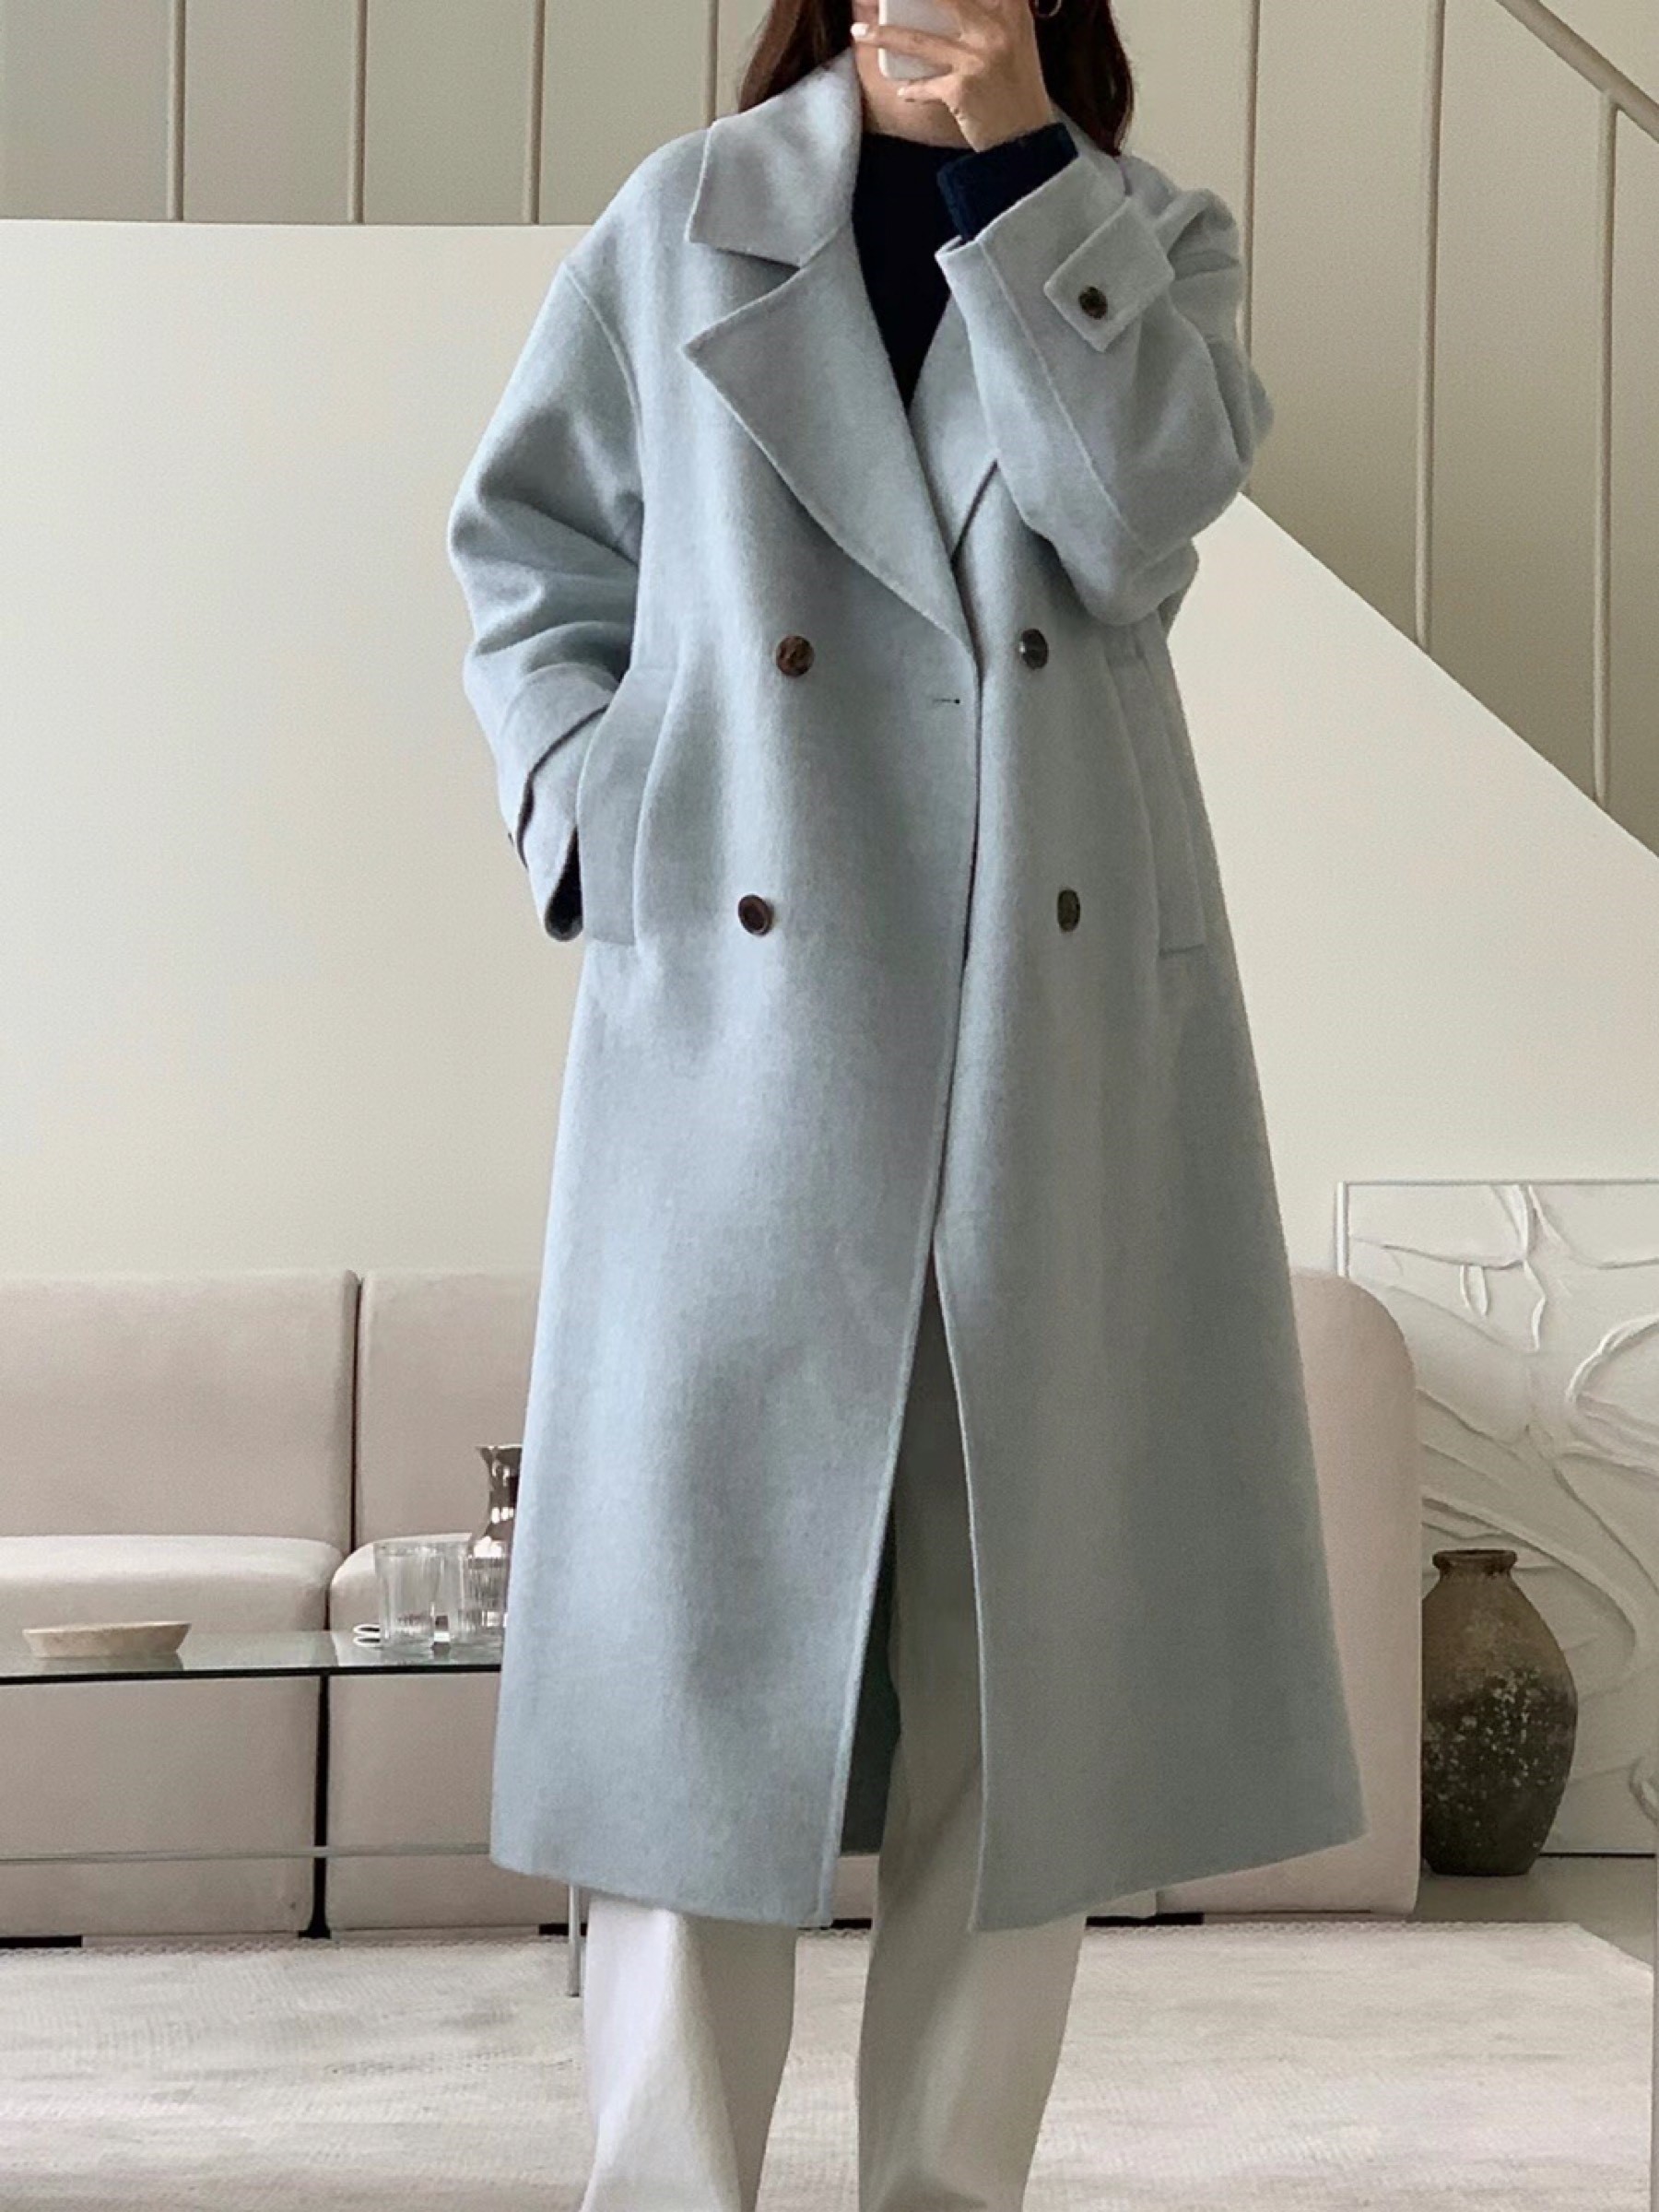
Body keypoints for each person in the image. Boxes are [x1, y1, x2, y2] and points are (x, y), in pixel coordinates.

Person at [446, 4, 1370, 2206]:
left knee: (1017, 1684)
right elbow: (529, 554)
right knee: (693, 1683)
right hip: (747, 1033)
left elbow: (1130, 527)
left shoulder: (1141, 231)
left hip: (1042, 1036)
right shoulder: (684, 220)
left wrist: (1022, 178)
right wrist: (602, 813)